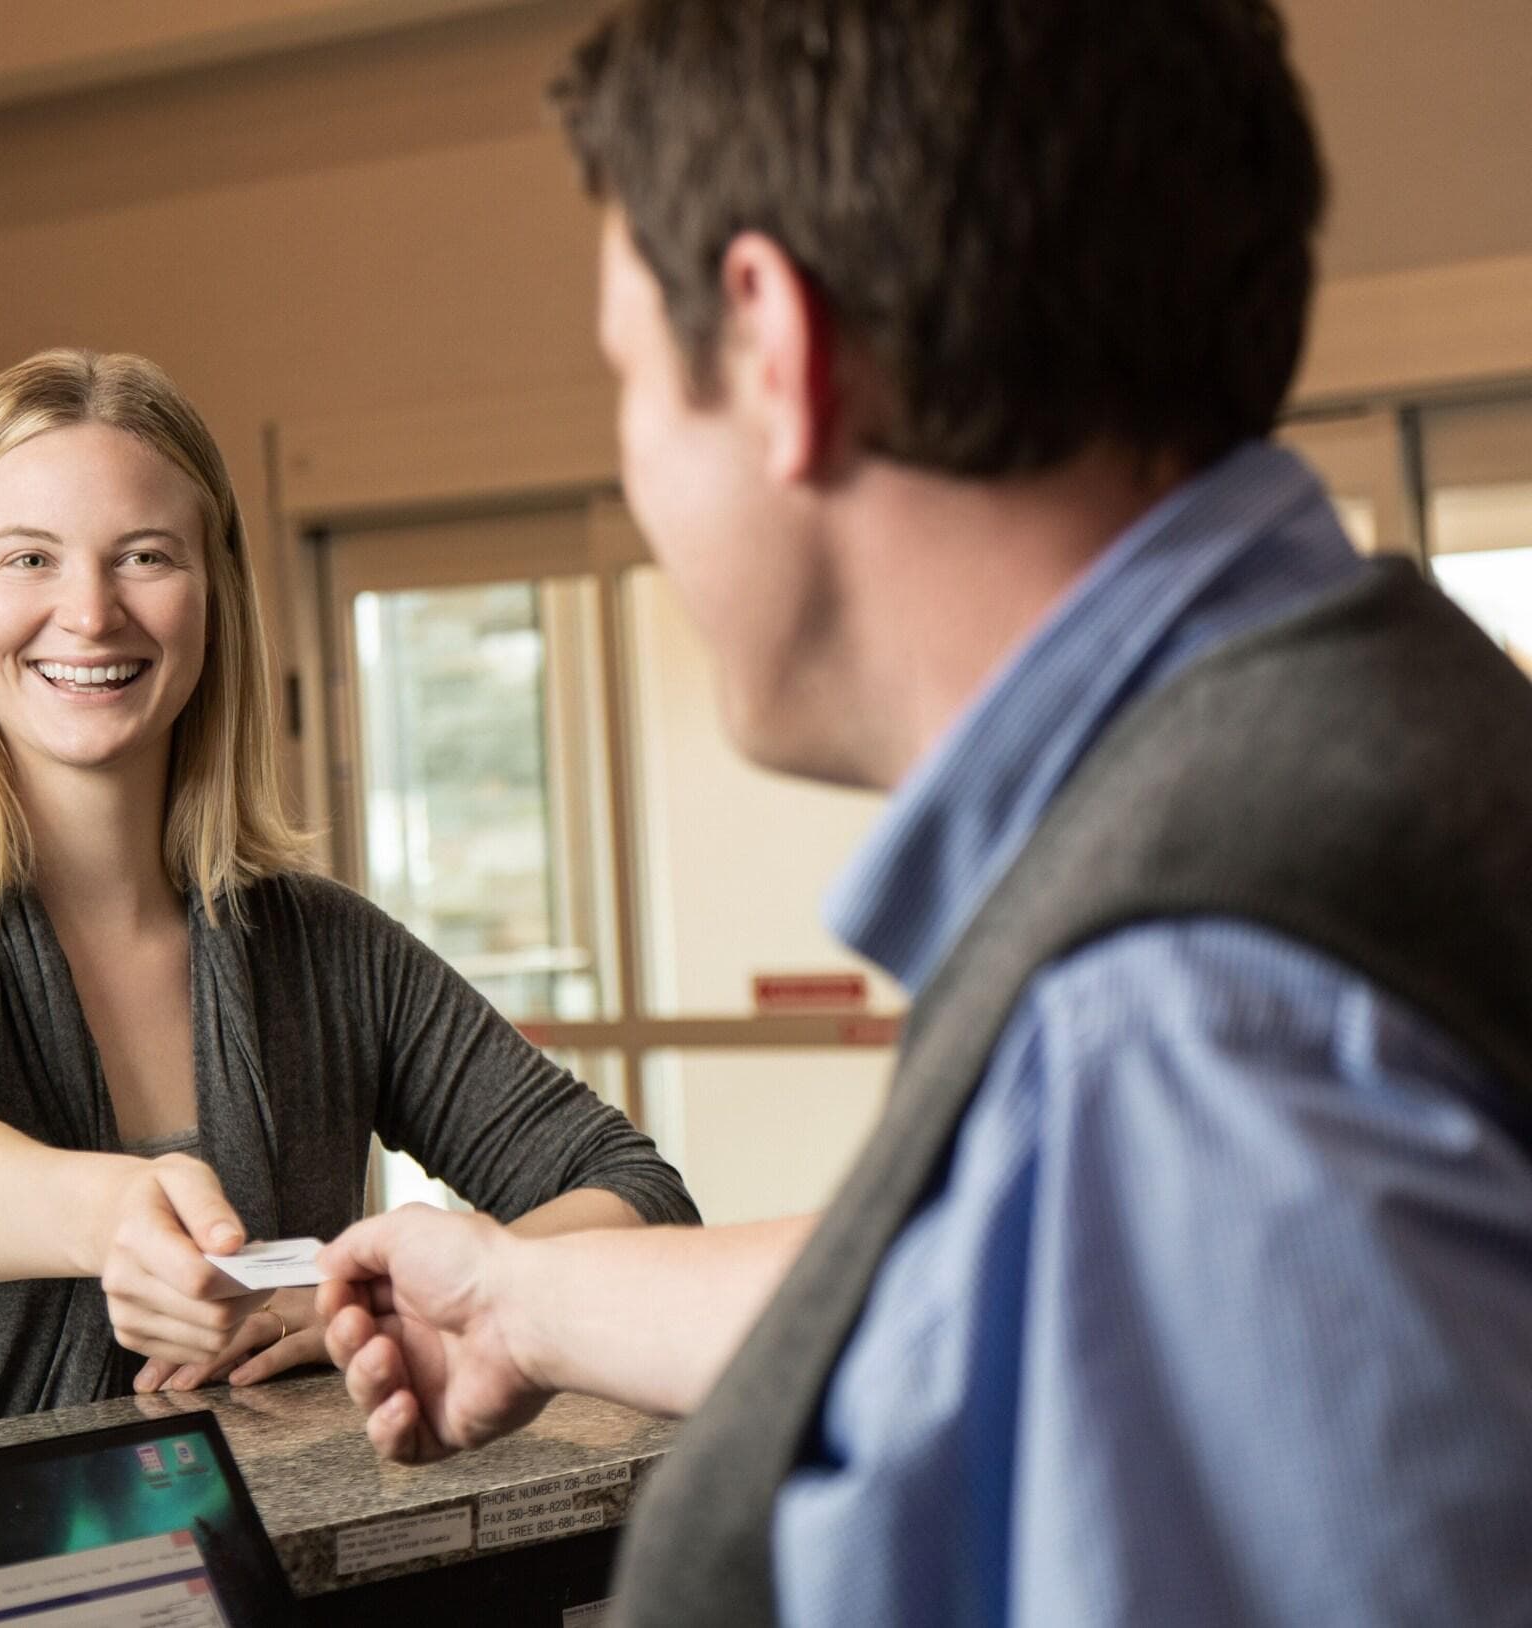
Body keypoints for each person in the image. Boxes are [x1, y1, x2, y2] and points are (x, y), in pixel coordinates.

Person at [316, 3, 1532, 1624]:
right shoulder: (1378, 740)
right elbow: (991, 1282)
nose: (639, 479)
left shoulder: (1181, 1026)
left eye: (629, 383)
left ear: (774, 352)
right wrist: (524, 1297)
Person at [0, 348, 697, 1452]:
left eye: (143, 555)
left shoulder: (330, 947)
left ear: (214, 588)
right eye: (28, 558)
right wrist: (110, 1215)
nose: (89, 612)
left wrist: (380, 1296)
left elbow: (634, 1193)